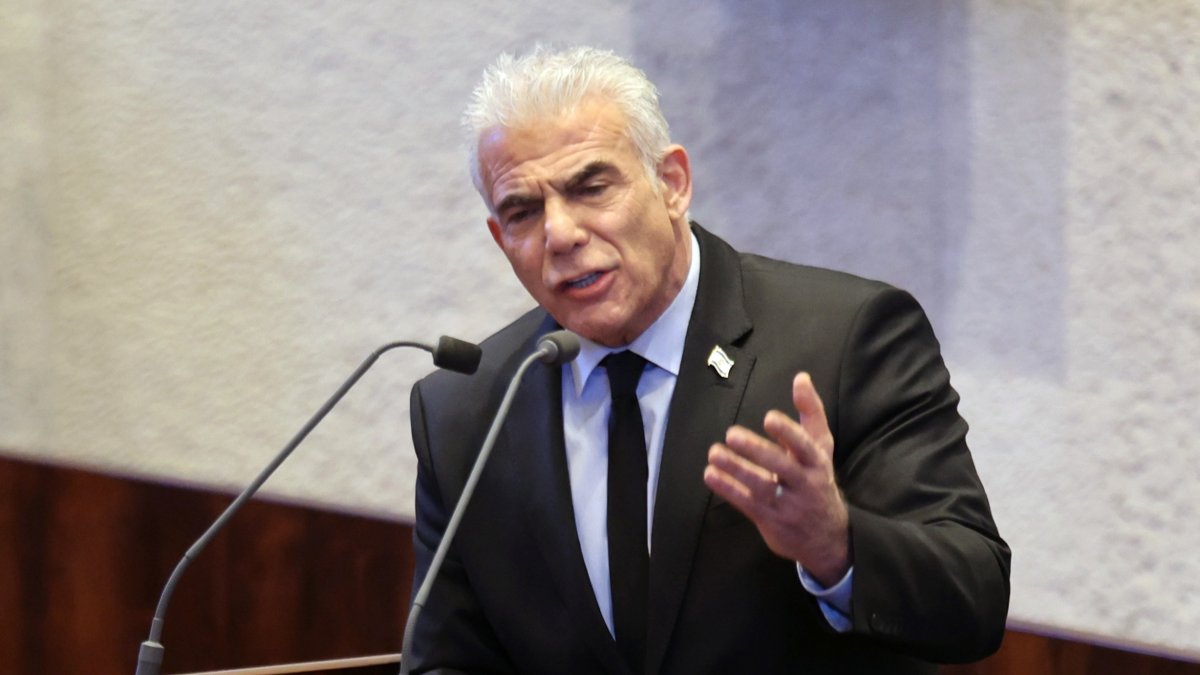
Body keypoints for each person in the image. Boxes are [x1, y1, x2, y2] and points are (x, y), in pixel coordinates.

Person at [406, 46, 1010, 675]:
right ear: (501, 239)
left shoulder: (846, 340)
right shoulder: (468, 410)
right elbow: (449, 658)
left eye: (590, 187)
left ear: (672, 184)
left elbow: (975, 598)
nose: (560, 234)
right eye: (523, 212)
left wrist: (838, 547)